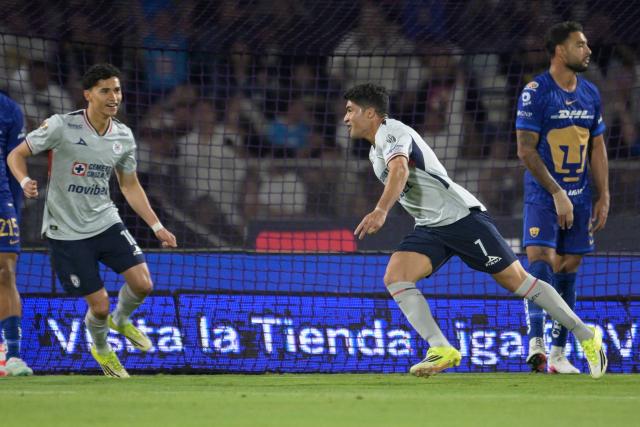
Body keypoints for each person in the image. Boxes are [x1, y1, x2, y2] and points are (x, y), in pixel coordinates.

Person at [343, 83, 607, 379]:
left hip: (461, 218)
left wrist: (381, 210)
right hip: (431, 227)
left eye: (351, 110)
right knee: (396, 275)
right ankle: (441, 348)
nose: (346, 118)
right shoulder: (373, 152)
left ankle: (586, 335)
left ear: (371, 113)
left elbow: (400, 170)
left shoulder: (392, 131)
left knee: (518, 282)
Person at [7, 63, 177, 378]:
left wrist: (157, 227)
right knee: (98, 306)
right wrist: (22, 181)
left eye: (117, 90)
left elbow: (129, 185)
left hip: (105, 220)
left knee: (143, 284)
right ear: (88, 94)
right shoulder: (61, 126)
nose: (114, 97)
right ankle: (102, 350)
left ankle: (122, 320)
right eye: (105, 91)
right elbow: (15, 155)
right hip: (66, 231)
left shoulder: (123, 136)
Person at [515, 21, 609, 374]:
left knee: (569, 267)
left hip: (581, 196)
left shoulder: (590, 94)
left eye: (586, 44)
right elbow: (525, 151)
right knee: (541, 258)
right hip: (543, 195)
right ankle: (535, 341)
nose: (587, 50)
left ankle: (558, 353)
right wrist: (556, 193)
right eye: (580, 45)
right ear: (559, 51)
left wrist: (604, 195)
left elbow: (597, 147)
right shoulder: (536, 92)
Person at [0, 91, 33, 377]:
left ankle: (12, 356)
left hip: (1, 199)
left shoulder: (9, 109)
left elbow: (14, 162)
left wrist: (14, 210)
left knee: (5, 270)